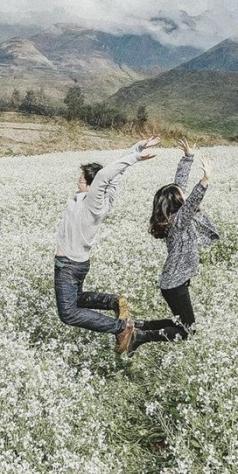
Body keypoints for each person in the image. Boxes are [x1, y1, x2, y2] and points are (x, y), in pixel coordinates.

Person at [53, 136, 160, 353]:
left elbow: (103, 176)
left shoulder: (91, 203)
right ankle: (113, 302)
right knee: (77, 299)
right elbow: (114, 176)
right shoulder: (101, 200)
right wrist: (137, 147)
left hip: (68, 265)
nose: (77, 183)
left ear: (92, 187)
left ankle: (121, 328)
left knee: (69, 313)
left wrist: (136, 157)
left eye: (81, 181)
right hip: (78, 264)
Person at [127, 140, 219, 354]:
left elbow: (179, 186)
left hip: (174, 282)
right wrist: (205, 180)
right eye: (182, 196)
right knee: (188, 330)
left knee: (180, 322)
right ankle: (141, 336)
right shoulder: (178, 222)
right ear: (178, 202)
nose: (184, 195)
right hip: (175, 284)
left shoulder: (173, 218)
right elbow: (192, 201)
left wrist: (188, 157)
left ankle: (139, 326)